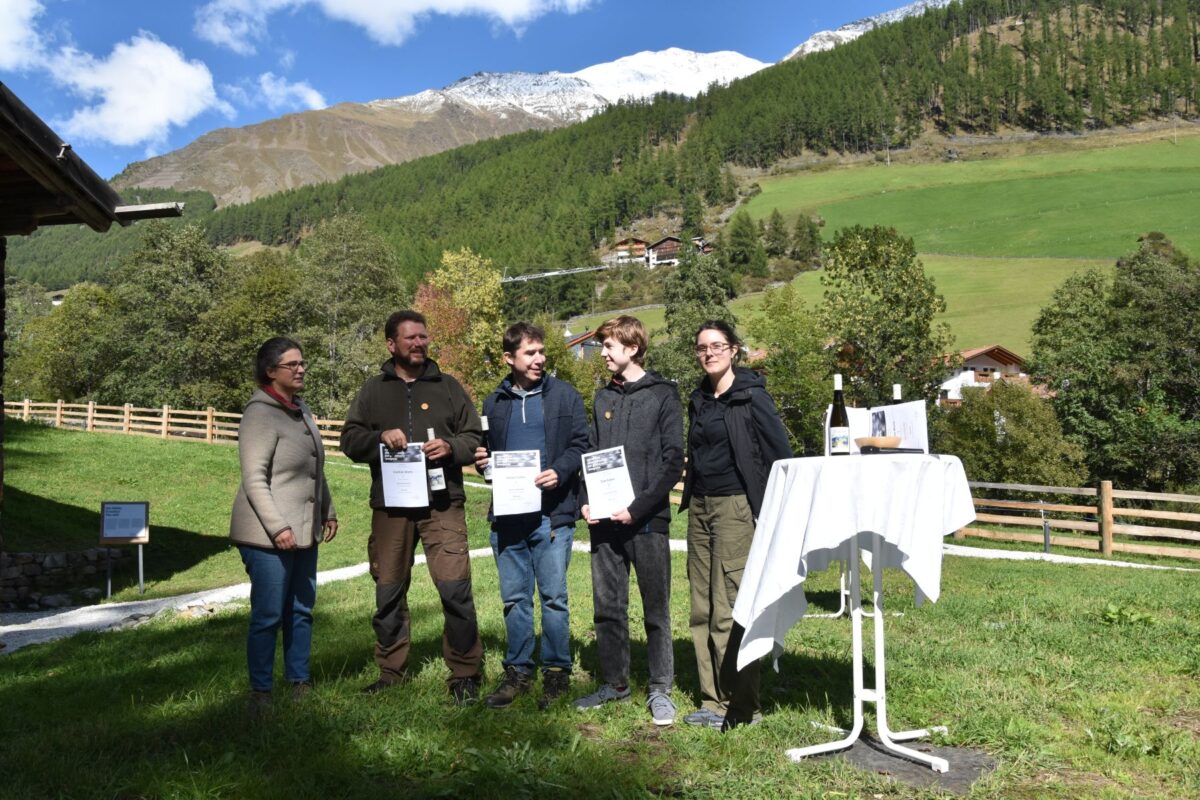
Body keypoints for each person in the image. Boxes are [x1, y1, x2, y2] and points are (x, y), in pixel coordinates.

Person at [340, 310, 485, 704]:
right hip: (392, 506)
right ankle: (391, 672)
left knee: (455, 588)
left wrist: (452, 448)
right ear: (391, 344)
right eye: (410, 339)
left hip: (443, 503)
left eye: (424, 337)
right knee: (388, 590)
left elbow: (475, 437)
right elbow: (349, 440)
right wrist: (378, 438)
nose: (419, 344)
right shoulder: (373, 390)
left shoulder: (449, 387)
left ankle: (465, 672)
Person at [679, 319, 793, 731]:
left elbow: (780, 454)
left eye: (716, 346)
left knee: (729, 608)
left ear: (734, 350)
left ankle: (743, 704)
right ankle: (712, 700)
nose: (708, 353)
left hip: (736, 509)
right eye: (701, 347)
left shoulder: (750, 397)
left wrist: (776, 510)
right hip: (701, 508)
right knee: (701, 608)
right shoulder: (699, 398)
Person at [474, 321, 590, 710]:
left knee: (554, 598)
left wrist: (560, 470)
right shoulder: (494, 402)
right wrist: (481, 462)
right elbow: (487, 454)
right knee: (514, 599)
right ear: (509, 358)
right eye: (530, 353)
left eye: (542, 352)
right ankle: (519, 672)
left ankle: (556, 675)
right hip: (508, 519)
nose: (540, 359)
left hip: (551, 517)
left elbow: (581, 444)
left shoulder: (564, 396)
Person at [574, 316, 683, 725]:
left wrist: (636, 509)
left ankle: (660, 690)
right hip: (604, 523)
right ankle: (615, 684)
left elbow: (673, 461)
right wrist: (586, 501)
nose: (601, 352)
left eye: (608, 345)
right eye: (601, 345)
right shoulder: (602, 398)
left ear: (632, 348)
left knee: (656, 609)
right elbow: (592, 455)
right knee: (608, 607)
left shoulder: (663, 395)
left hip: (648, 522)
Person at [230, 337, 338, 715]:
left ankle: (298, 683)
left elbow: (314, 467)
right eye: (291, 364)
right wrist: (278, 528)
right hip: (266, 535)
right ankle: (260, 693)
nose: (301, 369)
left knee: (301, 610)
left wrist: (329, 509)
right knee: (269, 615)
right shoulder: (259, 414)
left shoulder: (300, 409)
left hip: (304, 531)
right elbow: (254, 478)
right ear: (270, 371)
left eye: (302, 363)